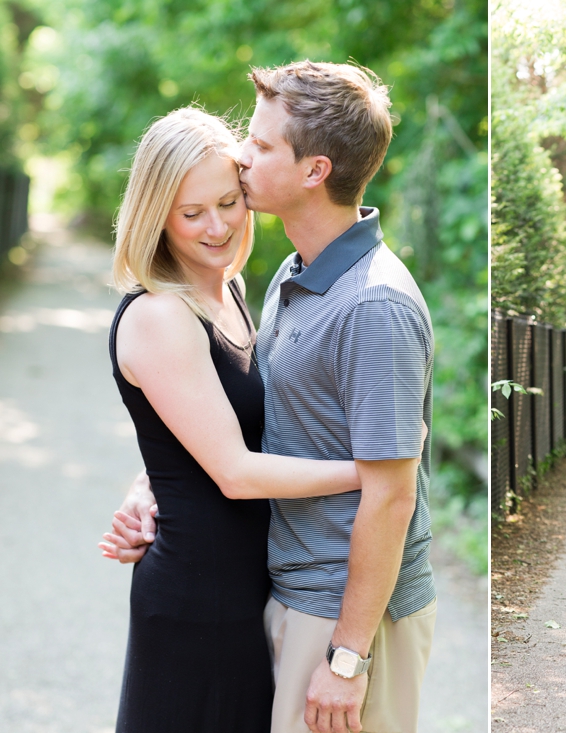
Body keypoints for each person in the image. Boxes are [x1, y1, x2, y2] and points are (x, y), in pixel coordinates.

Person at [104, 61, 437, 733]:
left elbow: (387, 491)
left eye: (257, 148)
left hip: (321, 603)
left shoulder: (357, 301)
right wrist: (153, 480)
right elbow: (236, 445)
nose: (242, 163)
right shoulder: (286, 278)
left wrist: (348, 657)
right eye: (192, 212)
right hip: (241, 592)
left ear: (313, 170)